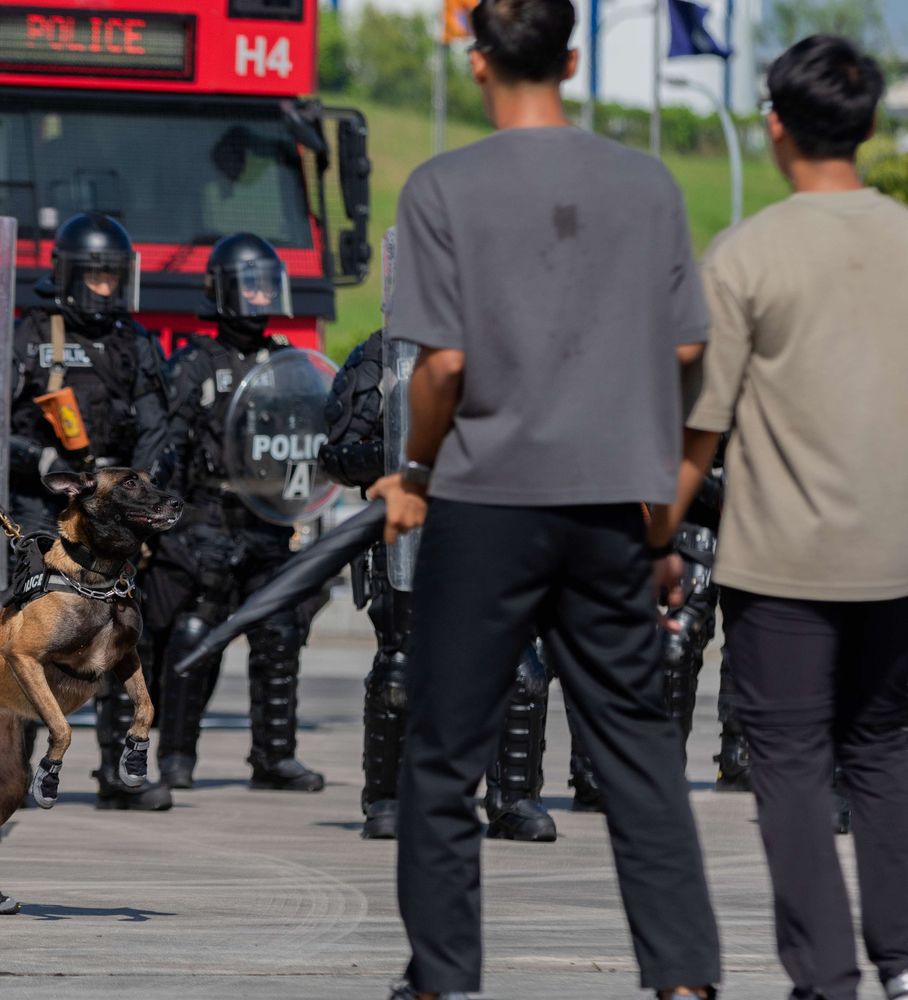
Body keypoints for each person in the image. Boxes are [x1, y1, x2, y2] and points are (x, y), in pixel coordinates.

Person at [366, 1, 720, 996]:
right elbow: (688, 350)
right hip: (613, 499)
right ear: (570, 57)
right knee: (640, 746)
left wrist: (418, 474)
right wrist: (656, 501)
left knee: (443, 752)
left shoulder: (443, 187)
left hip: (485, 499)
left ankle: (443, 975)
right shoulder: (647, 185)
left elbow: (441, 365)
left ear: (479, 63)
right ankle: (685, 977)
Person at [651, 35, 908, 1000]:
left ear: (774, 127)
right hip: (899, 556)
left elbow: (697, 433)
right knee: (885, 755)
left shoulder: (746, 256)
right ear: (872, 123)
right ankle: (903, 960)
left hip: (786, 569)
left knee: (792, 769)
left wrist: (655, 542)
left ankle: (827, 979)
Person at [320, 328, 557, 842]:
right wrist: (405, 454)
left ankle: (514, 799)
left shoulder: (516, 344)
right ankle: (388, 797)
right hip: (407, 534)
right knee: (400, 671)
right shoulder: (381, 356)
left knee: (523, 670)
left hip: (495, 532)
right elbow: (336, 455)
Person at [149, 232, 325, 794]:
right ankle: (176, 756)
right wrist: (165, 526)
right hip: (208, 519)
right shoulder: (195, 365)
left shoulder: (288, 365)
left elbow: (311, 440)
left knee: (279, 631)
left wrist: (304, 511)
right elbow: (168, 445)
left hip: (267, 520)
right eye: (247, 284)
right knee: (194, 634)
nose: (258, 295)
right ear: (223, 290)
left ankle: (274, 757)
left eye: (265, 285)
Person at [8, 211, 172, 811]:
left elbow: (158, 427)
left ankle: (117, 771)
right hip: (46, 508)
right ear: (70, 277)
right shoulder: (32, 336)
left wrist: (142, 495)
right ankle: (13, 775)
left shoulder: (137, 343)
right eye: (96, 276)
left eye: (114, 277)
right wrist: (41, 456)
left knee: (120, 635)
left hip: (118, 516)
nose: (106, 288)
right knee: (34, 641)